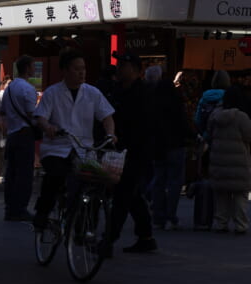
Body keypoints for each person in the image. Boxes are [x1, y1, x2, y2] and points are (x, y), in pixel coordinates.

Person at [32, 49, 116, 232]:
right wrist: (48, 127)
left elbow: (107, 116)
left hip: (84, 148)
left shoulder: (92, 93)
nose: (82, 73)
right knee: (56, 175)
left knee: (95, 185)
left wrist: (110, 133)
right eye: (77, 69)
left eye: (83, 69)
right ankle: (42, 213)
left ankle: (86, 229)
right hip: (57, 146)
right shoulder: (52, 93)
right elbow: (41, 117)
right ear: (65, 71)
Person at [103, 51, 157, 256]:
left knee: (123, 195)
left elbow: (145, 125)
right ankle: (146, 236)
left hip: (136, 152)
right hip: (118, 149)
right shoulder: (116, 90)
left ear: (134, 70)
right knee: (131, 195)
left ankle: (108, 240)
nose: (119, 69)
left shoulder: (144, 93)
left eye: (123, 65)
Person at [145, 65, 190, 230]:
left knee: (158, 179)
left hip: (158, 146)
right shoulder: (176, 103)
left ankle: (158, 215)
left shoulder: (153, 102)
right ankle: (171, 214)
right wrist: (192, 136)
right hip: (176, 145)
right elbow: (184, 123)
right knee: (174, 181)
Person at [207, 86, 251, 234]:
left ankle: (221, 222)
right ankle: (240, 224)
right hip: (239, 161)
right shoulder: (241, 117)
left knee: (221, 194)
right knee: (240, 194)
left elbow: (209, 133)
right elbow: (250, 135)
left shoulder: (215, 116)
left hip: (219, 160)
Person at [1, 56, 39, 222]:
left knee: (11, 173)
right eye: (33, 66)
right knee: (24, 174)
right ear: (27, 68)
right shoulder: (28, 88)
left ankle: (10, 208)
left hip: (12, 133)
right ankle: (20, 209)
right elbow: (32, 113)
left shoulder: (9, 88)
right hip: (25, 134)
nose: (34, 69)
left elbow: (3, 112)